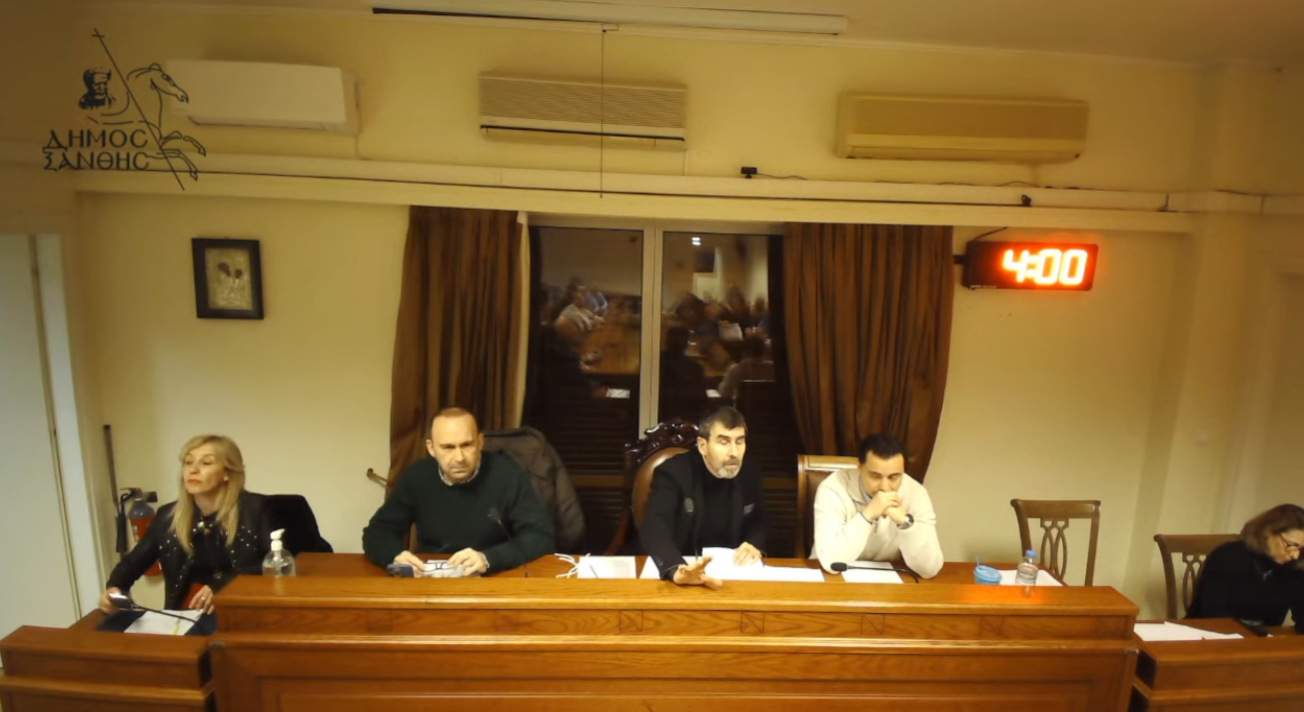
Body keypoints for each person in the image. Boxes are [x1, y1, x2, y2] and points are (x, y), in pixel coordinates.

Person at [363, 408, 554, 574]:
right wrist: (394, 556)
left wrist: (489, 559)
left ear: (480, 442)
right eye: (448, 448)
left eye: (466, 445)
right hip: (432, 577)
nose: (459, 458)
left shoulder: (508, 474)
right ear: (431, 448)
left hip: (492, 575)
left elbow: (540, 537)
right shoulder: (416, 477)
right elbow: (377, 532)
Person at [99, 434, 270, 614]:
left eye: (206, 463)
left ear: (227, 473)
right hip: (184, 617)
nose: (193, 470)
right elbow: (132, 563)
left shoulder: (258, 509)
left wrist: (224, 584)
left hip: (244, 614)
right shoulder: (167, 517)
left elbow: (276, 568)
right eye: (188, 462)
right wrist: (114, 589)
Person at [640, 407, 768, 587]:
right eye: (724, 442)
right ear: (702, 446)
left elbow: (760, 520)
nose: (734, 452)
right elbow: (655, 526)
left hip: (733, 576)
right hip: (682, 574)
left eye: (739, 441)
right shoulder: (673, 473)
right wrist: (676, 569)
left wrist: (754, 544)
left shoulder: (749, 472)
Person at [812, 433, 943, 579]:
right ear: (859, 468)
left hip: (890, 579)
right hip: (831, 578)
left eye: (894, 477)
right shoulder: (833, 488)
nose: (885, 487)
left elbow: (929, 569)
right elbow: (832, 562)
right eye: (875, 476)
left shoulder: (916, 493)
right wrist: (868, 515)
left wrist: (905, 523)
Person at [1187, 504, 1304, 631]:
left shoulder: (1294, 567)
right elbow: (1213, 614)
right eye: (1291, 545)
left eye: (1301, 548)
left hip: (1260, 639)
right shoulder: (1227, 556)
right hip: (1205, 633)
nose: (1295, 555)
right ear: (1268, 532)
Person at [718, 334, 775, 401]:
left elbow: (724, 393)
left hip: (742, 407)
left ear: (744, 350)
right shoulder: (773, 369)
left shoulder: (735, 370)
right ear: (764, 350)